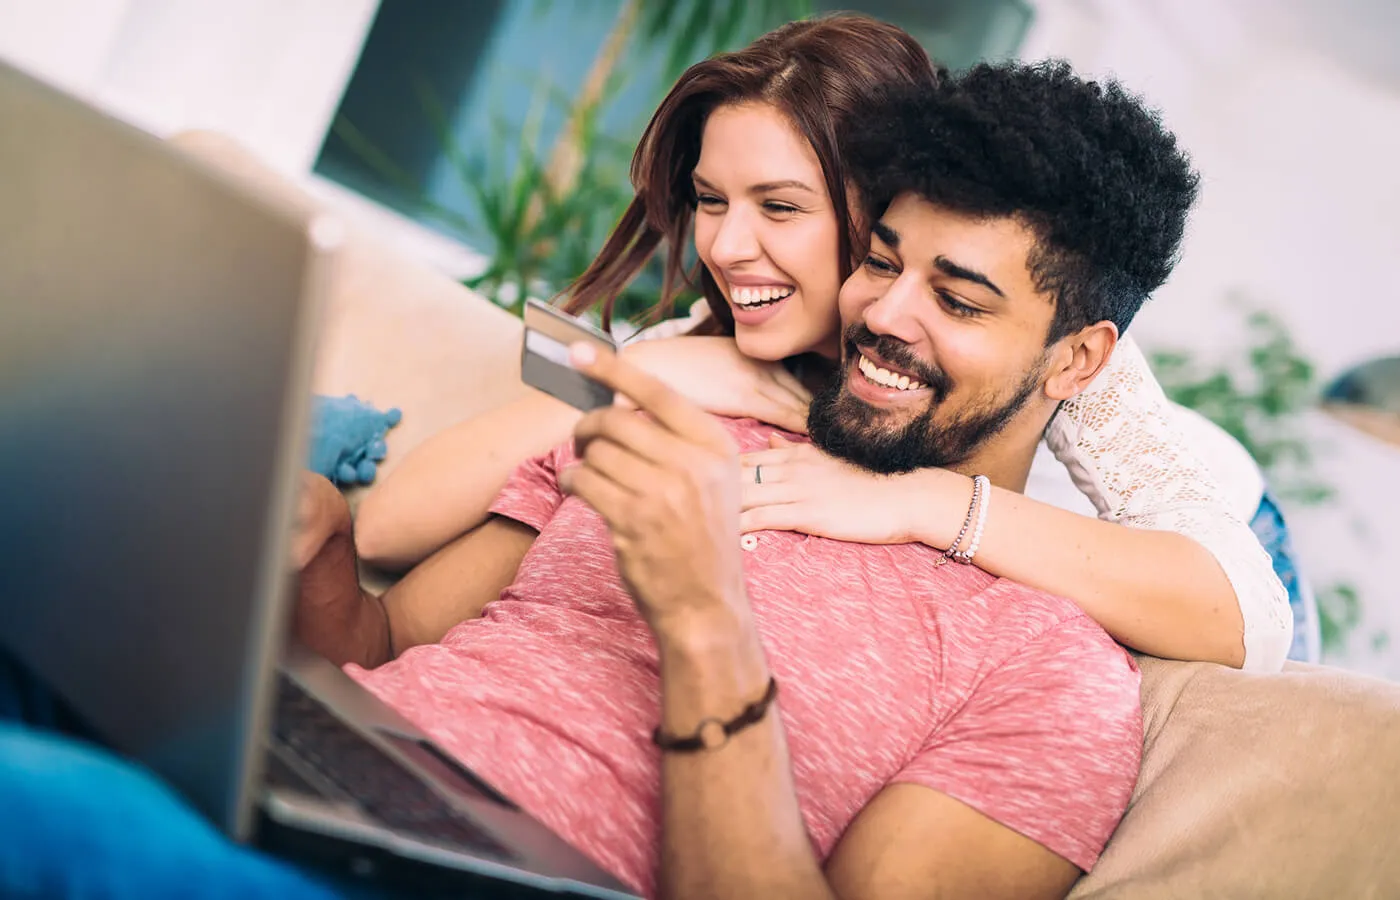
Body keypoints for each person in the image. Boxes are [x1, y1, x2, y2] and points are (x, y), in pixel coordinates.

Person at [0, 56, 1184, 899]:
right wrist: (304, 543)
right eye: (881, 262)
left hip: (483, 881)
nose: (884, 313)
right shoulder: (685, 426)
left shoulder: (1055, 673)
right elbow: (376, 644)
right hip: (333, 801)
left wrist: (702, 613)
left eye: (958, 298)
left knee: (36, 809)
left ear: (1077, 357)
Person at [354, 15, 1295, 672]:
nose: (724, 246)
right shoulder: (747, 332)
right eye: (712, 200)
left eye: (781, 207)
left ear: (878, 203)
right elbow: (391, 526)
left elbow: (1249, 617)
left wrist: (923, 502)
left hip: (1230, 525)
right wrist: (655, 369)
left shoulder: (1055, 358)